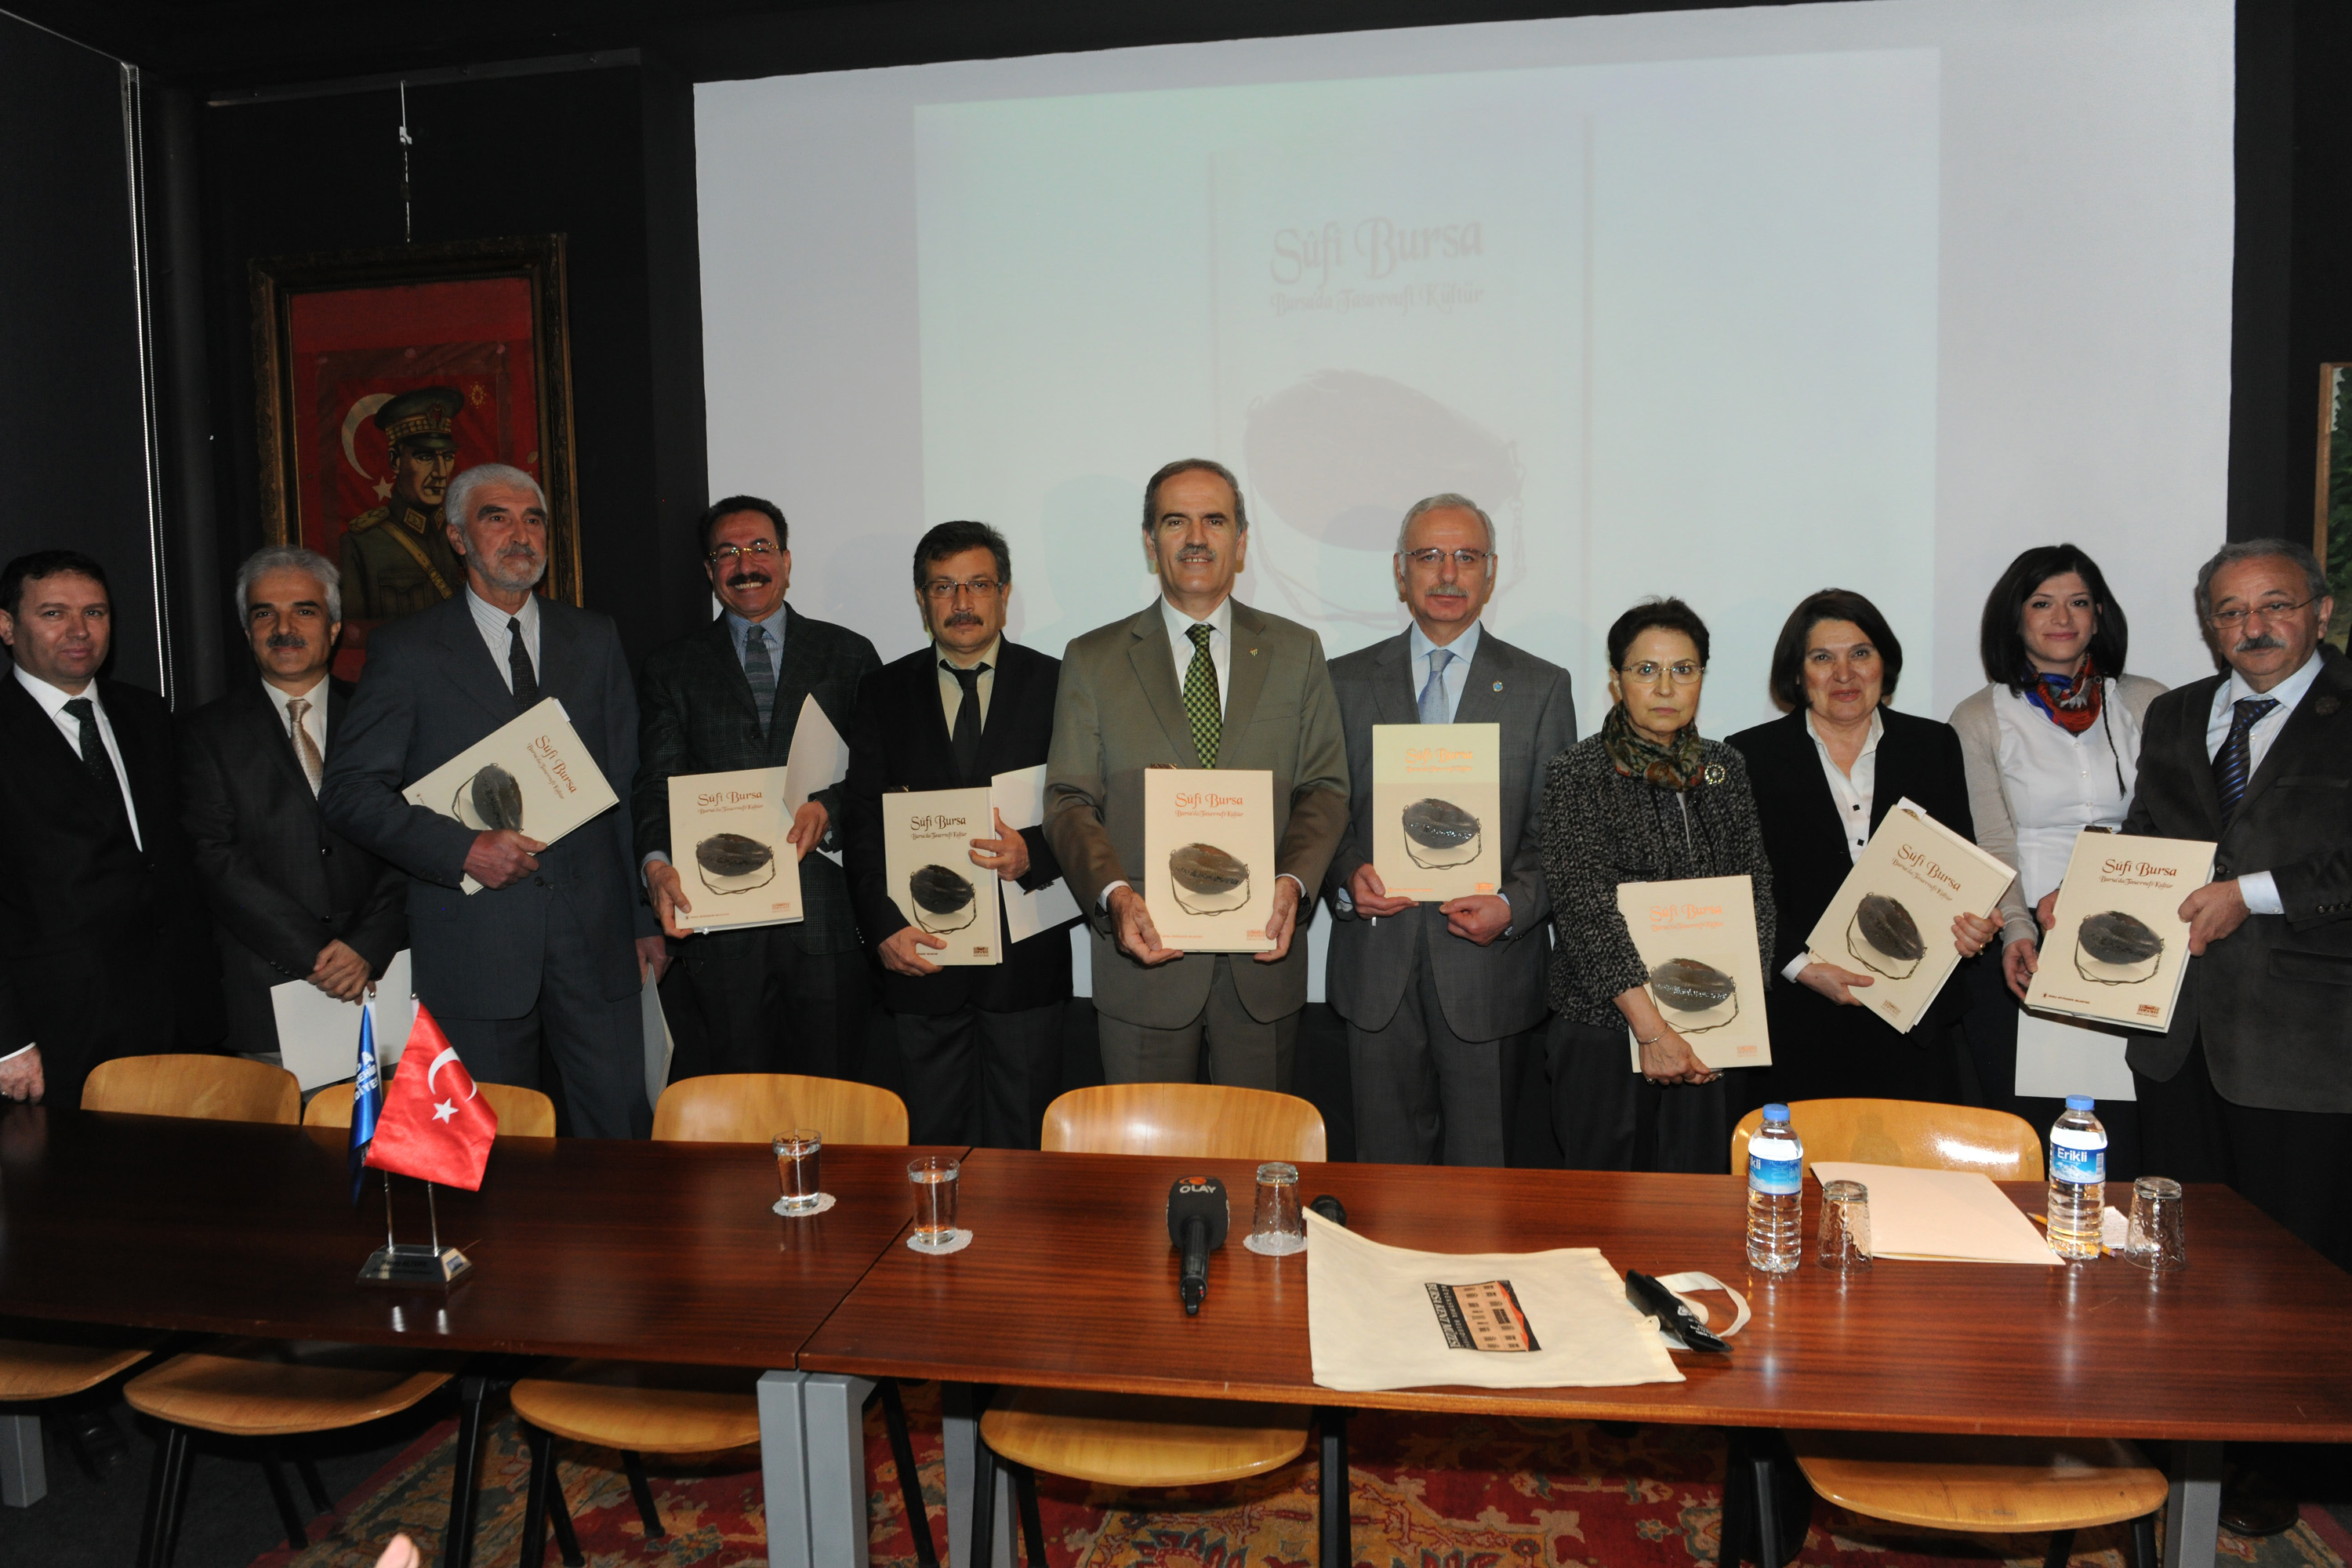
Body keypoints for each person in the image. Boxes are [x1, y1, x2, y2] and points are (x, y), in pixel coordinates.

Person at [320, 464, 662, 1138]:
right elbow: (350, 792)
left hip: (597, 938)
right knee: (492, 1149)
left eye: (533, 519)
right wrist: (463, 849)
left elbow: (628, 782)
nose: (520, 534)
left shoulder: (594, 638)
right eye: (496, 518)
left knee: (621, 1135)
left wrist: (643, 917)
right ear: (457, 538)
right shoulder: (407, 651)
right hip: (474, 943)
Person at [1044, 457, 1350, 1092]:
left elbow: (1323, 788)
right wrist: (1114, 896)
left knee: (1259, 1147)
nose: (1195, 538)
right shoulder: (1093, 659)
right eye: (1174, 521)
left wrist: (1293, 881)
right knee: (1144, 1151)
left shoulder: (1297, 651)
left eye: (1215, 520)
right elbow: (1070, 799)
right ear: (1150, 541)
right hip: (1143, 962)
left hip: (1261, 964)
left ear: (1241, 541)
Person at [1323, 493, 1576, 1165]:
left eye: (1466, 556)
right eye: (1428, 555)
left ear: (1490, 573)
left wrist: (1513, 906)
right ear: (1400, 570)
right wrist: (1345, 875)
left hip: (1490, 973)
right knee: (1385, 1181)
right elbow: (1320, 809)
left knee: (1483, 1181)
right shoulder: (1342, 682)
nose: (1447, 574)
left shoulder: (1541, 687)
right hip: (1375, 964)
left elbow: (1558, 835)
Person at [2121, 539, 2352, 1275]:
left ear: (2321, 612)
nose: (2254, 627)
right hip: (2174, 1041)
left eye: (2275, 605)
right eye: (2231, 612)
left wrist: (2250, 896)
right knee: (2179, 1262)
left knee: (2299, 1270)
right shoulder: (2175, 713)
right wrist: (2099, 888)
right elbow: (2146, 833)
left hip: (2304, 1049)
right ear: (2211, 626)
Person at [633, 495, 882, 1081]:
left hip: (827, 921)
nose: (746, 565)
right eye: (728, 553)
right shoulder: (672, 666)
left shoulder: (848, 654)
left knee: (831, 1101)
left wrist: (831, 807)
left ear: (787, 561)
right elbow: (656, 783)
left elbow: (880, 774)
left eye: (761, 548)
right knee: (738, 1104)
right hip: (720, 930)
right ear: (710, 570)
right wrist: (655, 864)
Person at [843, 521, 1076, 1146]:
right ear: (922, 600)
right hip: (921, 960)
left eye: (979, 585)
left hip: (1025, 967)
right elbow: (861, 821)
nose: (962, 603)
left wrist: (1037, 852)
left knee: (1025, 1154)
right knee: (932, 1152)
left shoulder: (1059, 684)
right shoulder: (882, 692)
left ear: (1005, 593)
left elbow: (1089, 807)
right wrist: (882, 927)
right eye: (944, 587)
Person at [1728, 590, 1998, 1107]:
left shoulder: (1935, 745)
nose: (1844, 674)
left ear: (1884, 663)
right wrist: (1800, 967)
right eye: (1822, 657)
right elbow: (1740, 888)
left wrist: (1974, 925)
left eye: (1860, 653)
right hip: (1796, 1018)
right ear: (1797, 673)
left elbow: (1962, 865)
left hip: (1916, 1018)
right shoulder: (1748, 756)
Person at [1540, 597, 1772, 1171]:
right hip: (1605, 1027)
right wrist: (1651, 1030)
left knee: (1698, 1196)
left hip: (1711, 1028)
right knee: (1607, 1201)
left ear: (1701, 678)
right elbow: (1584, 907)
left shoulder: (1725, 768)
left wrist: (1734, 1021)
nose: (1666, 687)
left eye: (1683, 669)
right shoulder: (1578, 772)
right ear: (1617, 681)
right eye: (1646, 670)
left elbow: (1756, 893)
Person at [1950, 547, 2165, 1143]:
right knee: (2036, 1131)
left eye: (2078, 602)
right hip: (2029, 941)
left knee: (2126, 1126)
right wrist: (2018, 930)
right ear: (2015, 619)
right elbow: (1993, 840)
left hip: (2136, 935)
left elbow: (2170, 824)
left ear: (2099, 615)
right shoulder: (1979, 716)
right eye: (2042, 603)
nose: (2062, 618)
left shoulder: (2149, 703)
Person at [0, 550, 224, 1109]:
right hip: (57, 1033)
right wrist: (8, 1041)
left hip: (181, 1018)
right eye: (53, 613)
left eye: (95, 613)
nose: (79, 631)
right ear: (7, 626)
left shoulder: (147, 715)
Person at [180, 546, 408, 1063]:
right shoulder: (204, 734)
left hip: (388, 980)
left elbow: (417, 837)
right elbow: (215, 860)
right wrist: (319, 957)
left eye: (304, 610)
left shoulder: (386, 717)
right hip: (269, 997)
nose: (284, 628)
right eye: (265, 614)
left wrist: (366, 946)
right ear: (247, 632)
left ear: (334, 628)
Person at [339, 388, 466, 622]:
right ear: (395, 461)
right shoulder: (362, 545)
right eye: (425, 457)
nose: (440, 473)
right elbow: (355, 636)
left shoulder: (465, 535)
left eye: (447, 457)